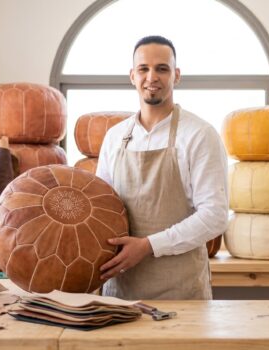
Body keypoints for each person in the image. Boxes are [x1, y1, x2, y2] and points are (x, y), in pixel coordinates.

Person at [96, 35, 228, 300]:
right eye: (144, 69)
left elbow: (214, 216)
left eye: (162, 68)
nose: (152, 77)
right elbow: (101, 209)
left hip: (182, 292)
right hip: (120, 294)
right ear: (132, 76)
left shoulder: (200, 134)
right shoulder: (114, 137)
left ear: (176, 75)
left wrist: (147, 246)